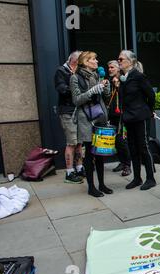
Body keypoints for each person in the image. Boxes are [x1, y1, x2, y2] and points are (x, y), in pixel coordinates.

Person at [70, 51, 113, 197]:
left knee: (100, 153)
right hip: (86, 120)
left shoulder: (97, 75)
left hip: (99, 117)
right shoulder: (75, 78)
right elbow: (77, 100)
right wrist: (92, 91)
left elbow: (106, 97)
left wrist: (105, 86)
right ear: (86, 61)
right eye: (93, 59)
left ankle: (101, 184)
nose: (96, 61)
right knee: (89, 153)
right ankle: (91, 187)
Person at [118, 50, 157, 191]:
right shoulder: (123, 78)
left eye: (121, 59)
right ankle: (137, 178)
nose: (119, 62)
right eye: (119, 59)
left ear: (131, 61)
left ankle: (150, 178)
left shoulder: (138, 76)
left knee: (143, 147)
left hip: (141, 117)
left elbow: (151, 95)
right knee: (132, 148)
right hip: (128, 118)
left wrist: (149, 110)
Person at [54, 51, 85, 184]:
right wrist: (76, 90)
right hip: (67, 111)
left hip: (79, 110)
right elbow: (61, 88)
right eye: (81, 59)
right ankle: (69, 172)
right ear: (73, 60)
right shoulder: (61, 71)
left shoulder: (80, 71)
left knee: (79, 142)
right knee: (71, 142)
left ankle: (79, 168)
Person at [107, 60, 132, 177]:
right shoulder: (109, 81)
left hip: (122, 115)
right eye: (109, 68)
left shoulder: (123, 80)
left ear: (118, 69)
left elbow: (127, 96)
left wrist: (119, 86)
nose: (110, 70)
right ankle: (122, 162)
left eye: (112, 67)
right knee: (116, 141)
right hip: (112, 115)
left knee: (122, 140)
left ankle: (128, 165)